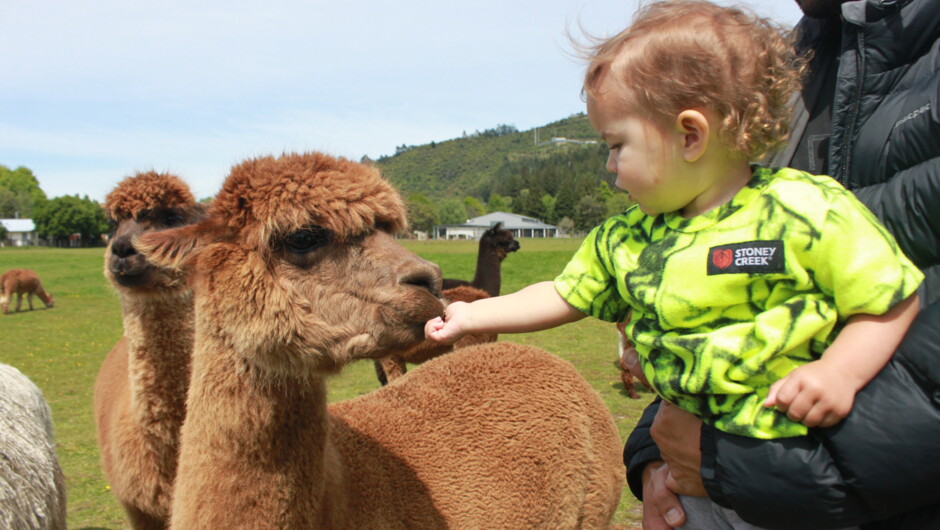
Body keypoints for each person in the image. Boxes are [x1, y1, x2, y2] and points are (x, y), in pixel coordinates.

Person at [426, 1, 937, 527]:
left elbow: (892, 299)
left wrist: (841, 371)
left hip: (789, 477)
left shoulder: (809, 209)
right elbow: (562, 293)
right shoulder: (625, 237)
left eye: (617, 145)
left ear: (689, 136)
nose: (609, 167)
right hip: (687, 480)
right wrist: (474, 315)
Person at [624, 0, 940, 528]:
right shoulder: (793, 64)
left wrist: (746, 465)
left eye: (617, 145)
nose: (612, 167)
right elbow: (728, 292)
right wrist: (659, 448)